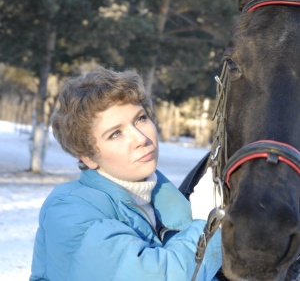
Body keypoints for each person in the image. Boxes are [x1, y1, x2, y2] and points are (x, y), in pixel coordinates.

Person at [30, 67, 222, 281]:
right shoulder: (69, 212)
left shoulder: (165, 202)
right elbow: (156, 275)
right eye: (116, 134)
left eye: (140, 119)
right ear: (88, 157)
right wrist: (209, 223)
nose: (141, 138)